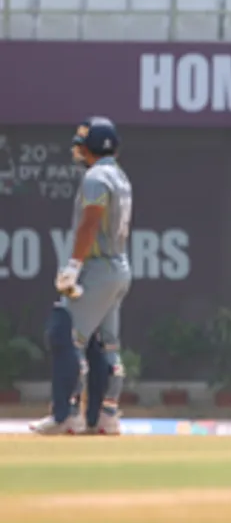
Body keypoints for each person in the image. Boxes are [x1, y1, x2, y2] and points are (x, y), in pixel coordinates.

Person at [30, 118, 133, 436]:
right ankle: (105, 416)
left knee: (65, 332)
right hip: (119, 267)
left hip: (98, 267)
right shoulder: (120, 177)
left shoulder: (96, 177)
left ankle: (66, 415)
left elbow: (90, 223)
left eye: (81, 144)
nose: (77, 150)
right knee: (106, 345)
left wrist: (74, 265)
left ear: (92, 145)